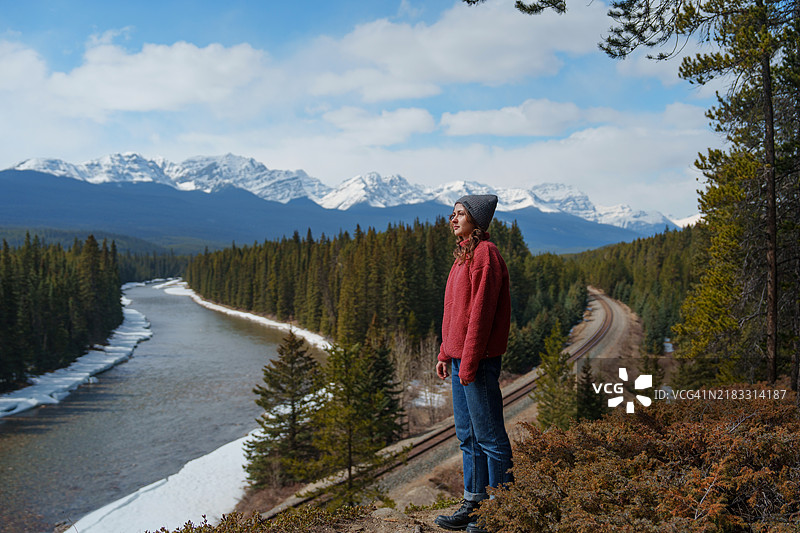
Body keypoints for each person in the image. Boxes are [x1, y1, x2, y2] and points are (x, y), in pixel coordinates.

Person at [434, 194, 513, 533]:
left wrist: (466, 363)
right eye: (452, 214)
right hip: (459, 360)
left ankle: (502, 511)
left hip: (476, 362)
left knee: (490, 437)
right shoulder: (463, 255)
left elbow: (479, 316)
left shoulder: (486, 256)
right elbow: (454, 312)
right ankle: (474, 502)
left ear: (477, 221)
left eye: (461, 214)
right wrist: (444, 353)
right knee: (467, 436)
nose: (453, 219)